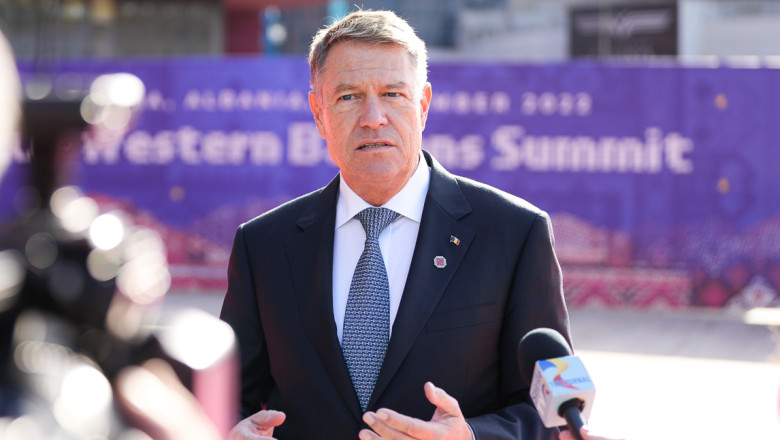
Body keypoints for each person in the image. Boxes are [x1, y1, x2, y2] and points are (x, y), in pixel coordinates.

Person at [221, 9, 571, 440]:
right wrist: (227, 431)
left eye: (393, 94)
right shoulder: (262, 246)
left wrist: (470, 436)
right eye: (348, 97)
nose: (373, 117)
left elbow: (558, 411)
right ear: (318, 113)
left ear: (422, 105)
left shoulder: (517, 233)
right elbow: (223, 396)